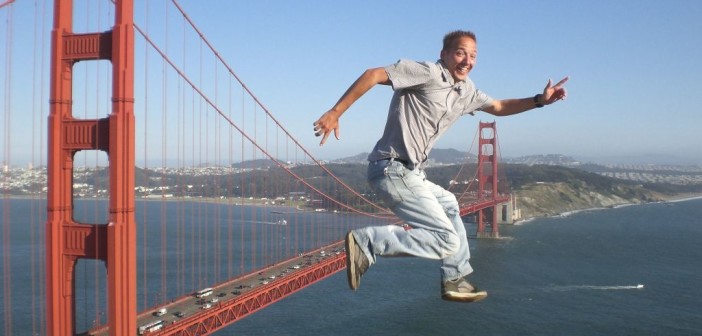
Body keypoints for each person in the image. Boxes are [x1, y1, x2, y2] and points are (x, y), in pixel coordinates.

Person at [312, 30, 568, 302]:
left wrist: (540, 100)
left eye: (473, 55)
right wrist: (335, 112)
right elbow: (373, 75)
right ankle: (368, 242)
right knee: (447, 239)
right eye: (460, 52)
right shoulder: (427, 72)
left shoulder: (465, 91)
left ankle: (454, 277)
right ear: (444, 54)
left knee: (449, 204)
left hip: (411, 172)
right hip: (392, 168)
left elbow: (499, 106)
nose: (467, 60)